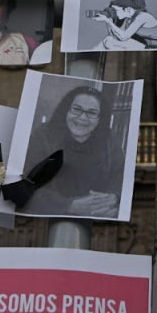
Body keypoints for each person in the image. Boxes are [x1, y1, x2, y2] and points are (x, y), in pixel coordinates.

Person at [19, 85, 123, 218]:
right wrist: (69, 206)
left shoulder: (109, 140)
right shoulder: (43, 137)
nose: (82, 118)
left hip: (99, 220)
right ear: (66, 110)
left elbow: (119, 174)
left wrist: (114, 196)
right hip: (48, 220)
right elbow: (27, 184)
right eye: (76, 109)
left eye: (91, 113)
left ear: (100, 119)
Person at [88, 0, 157, 50]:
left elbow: (123, 37)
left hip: (156, 47)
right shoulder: (128, 19)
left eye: (116, 10)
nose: (115, 13)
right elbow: (115, 37)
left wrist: (108, 22)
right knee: (108, 40)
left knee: (109, 41)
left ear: (128, 10)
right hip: (146, 46)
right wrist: (109, 20)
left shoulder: (142, 16)